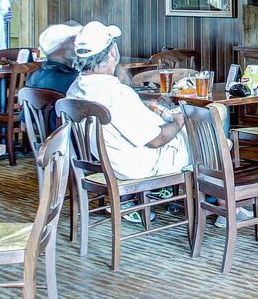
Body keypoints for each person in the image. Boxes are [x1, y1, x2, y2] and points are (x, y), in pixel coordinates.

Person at [66, 21, 190, 181]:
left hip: (107, 163)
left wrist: (145, 107)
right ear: (112, 52)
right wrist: (178, 121)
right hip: (141, 167)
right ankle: (217, 197)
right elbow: (157, 140)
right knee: (209, 131)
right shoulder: (118, 94)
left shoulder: (74, 89)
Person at [28, 22, 81, 94]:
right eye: (72, 41)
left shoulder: (34, 76)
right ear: (61, 47)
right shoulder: (73, 80)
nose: (77, 45)